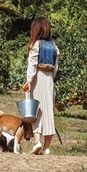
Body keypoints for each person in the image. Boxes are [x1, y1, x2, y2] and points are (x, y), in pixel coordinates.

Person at [22, 17, 59, 155]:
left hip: (38, 78)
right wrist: (51, 79)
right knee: (49, 111)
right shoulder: (53, 46)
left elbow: (32, 65)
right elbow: (56, 67)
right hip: (49, 79)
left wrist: (29, 81)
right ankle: (47, 147)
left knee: (35, 109)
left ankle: (37, 142)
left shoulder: (36, 44)